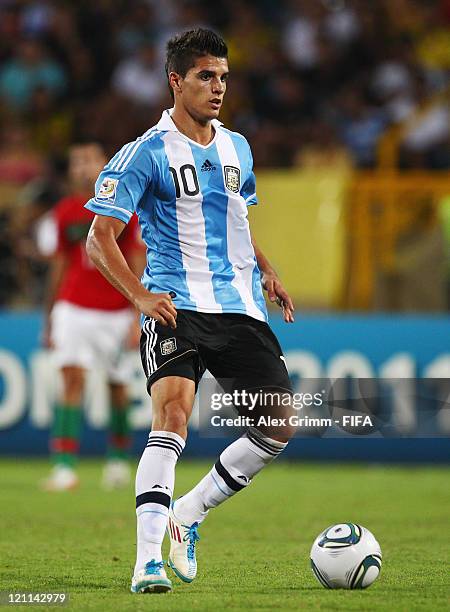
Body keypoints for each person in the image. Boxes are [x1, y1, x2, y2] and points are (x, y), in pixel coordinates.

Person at [85, 29, 295, 594]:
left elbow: (237, 224)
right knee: (173, 416)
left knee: (278, 424)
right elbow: (99, 238)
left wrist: (267, 270)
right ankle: (147, 560)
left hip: (239, 308)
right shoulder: (144, 152)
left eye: (223, 77)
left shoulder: (238, 148)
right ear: (176, 81)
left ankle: (190, 512)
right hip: (175, 307)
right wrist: (139, 295)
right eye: (206, 76)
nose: (218, 87)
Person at [42, 141, 145, 491]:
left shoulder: (124, 209)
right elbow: (59, 266)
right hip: (73, 307)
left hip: (116, 312)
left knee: (117, 387)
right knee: (71, 381)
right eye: (77, 161)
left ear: (105, 164)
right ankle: (64, 465)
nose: (83, 167)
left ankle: (117, 460)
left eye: (90, 160)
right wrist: (51, 316)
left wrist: (137, 315)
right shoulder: (65, 212)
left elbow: (136, 262)